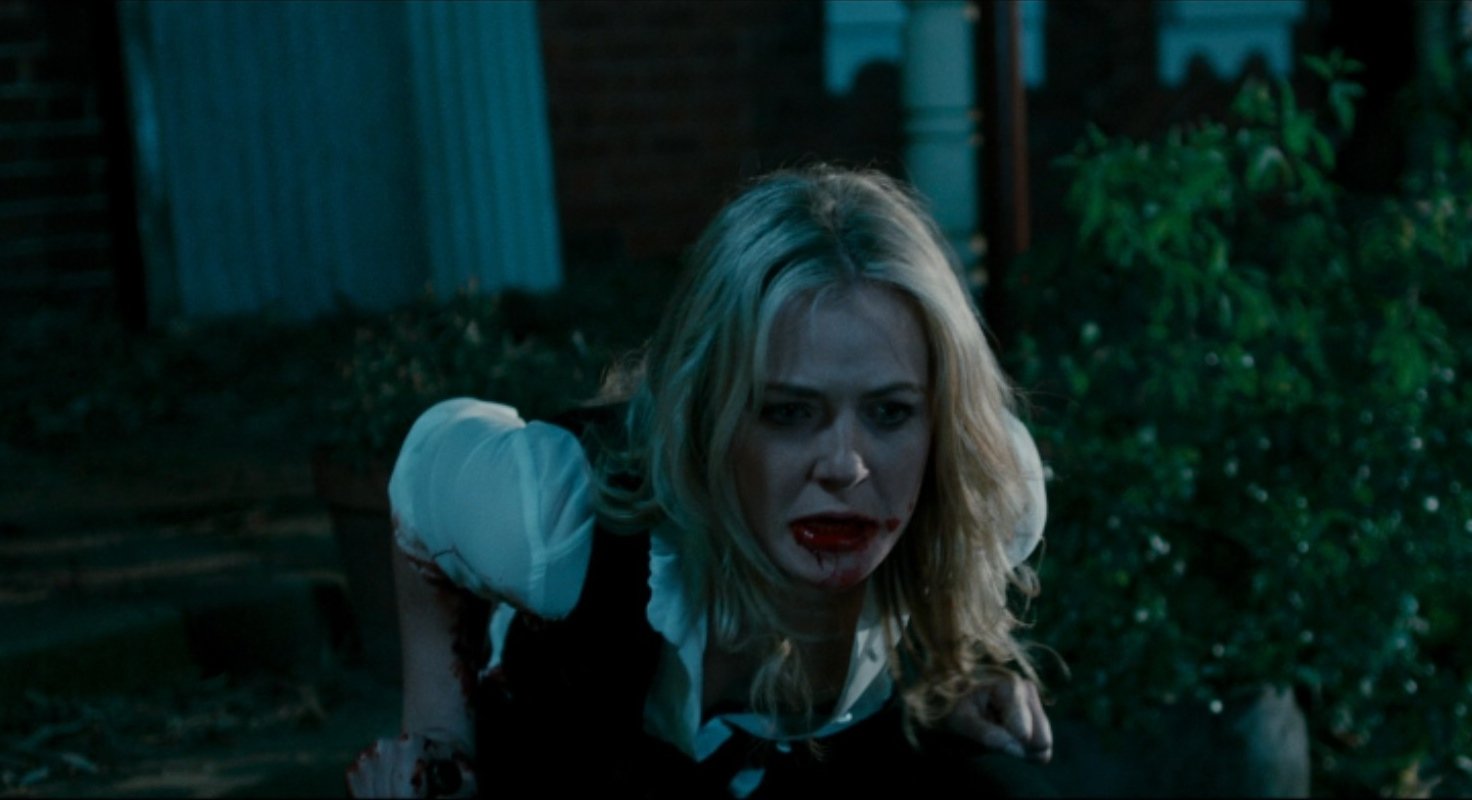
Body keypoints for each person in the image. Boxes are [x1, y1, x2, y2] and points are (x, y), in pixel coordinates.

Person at [345, 165, 1057, 797]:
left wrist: (943, 686)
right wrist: (439, 734)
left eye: (890, 412)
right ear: (707, 412)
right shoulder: (554, 517)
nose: (847, 465)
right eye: (788, 412)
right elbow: (424, 484)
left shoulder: (990, 494)